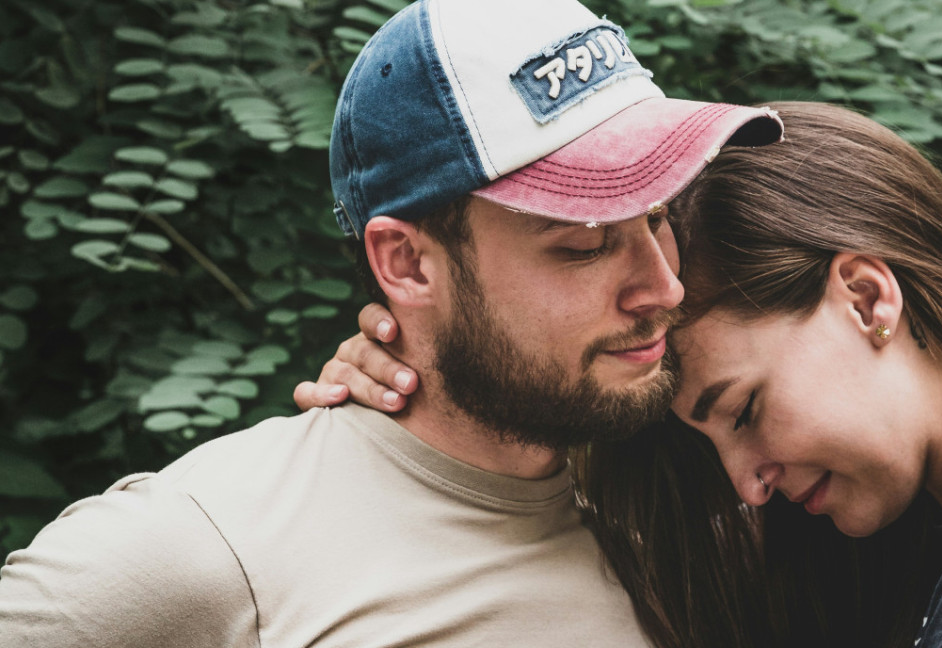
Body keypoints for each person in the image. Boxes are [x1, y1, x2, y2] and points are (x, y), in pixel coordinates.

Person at [0, 0, 782, 645]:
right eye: (583, 244)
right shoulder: (219, 539)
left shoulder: (687, 515)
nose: (663, 284)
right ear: (407, 265)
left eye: (658, 216)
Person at [304, 102, 942, 647]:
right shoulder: (922, 534)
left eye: (743, 410)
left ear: (865, 297)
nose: (749, 482)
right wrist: (428, 390)